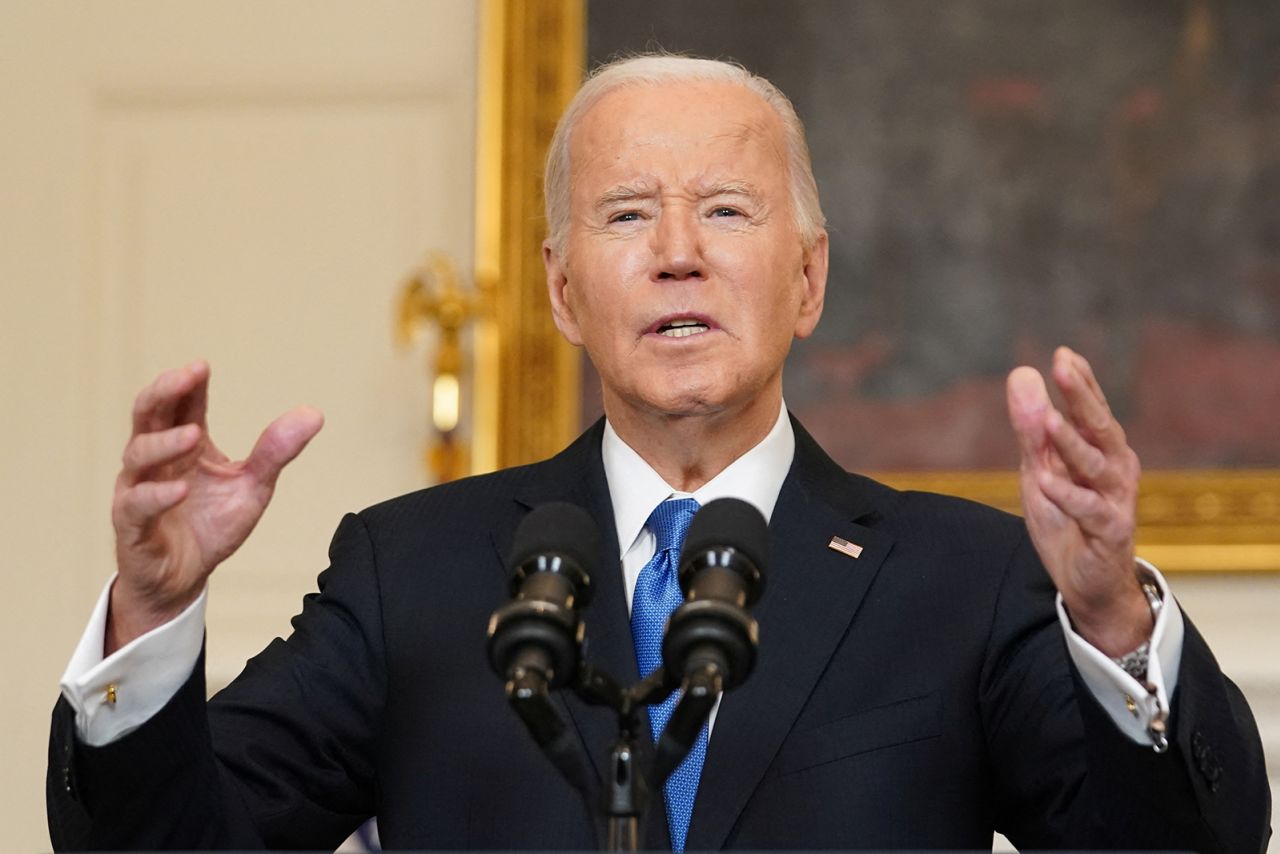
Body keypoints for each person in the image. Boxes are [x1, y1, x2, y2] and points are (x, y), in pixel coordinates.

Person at [49, 54, 1270, 852]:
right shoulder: (408, 571)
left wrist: (1110, 612)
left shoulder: (961, 578)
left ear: (806, 278)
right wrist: (153, 616)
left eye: (726, 210)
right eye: (627, 213)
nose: (676, 252)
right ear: (563, 288)